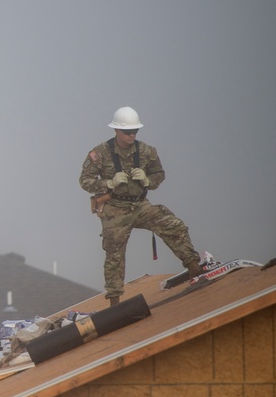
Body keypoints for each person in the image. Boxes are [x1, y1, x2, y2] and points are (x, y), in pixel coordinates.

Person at [79, 106, 202, 306]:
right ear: (116, 131)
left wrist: (147, 180)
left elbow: (159, 174)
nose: (132, 135)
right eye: (127, 131)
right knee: (114, 252)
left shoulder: (147, 151)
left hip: (140, 205)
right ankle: (114, 301)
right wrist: (108, 183)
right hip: (115, 207)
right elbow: (85, 180)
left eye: (135, 131)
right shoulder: (99, 153)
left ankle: (194, 268)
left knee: (174, 225)